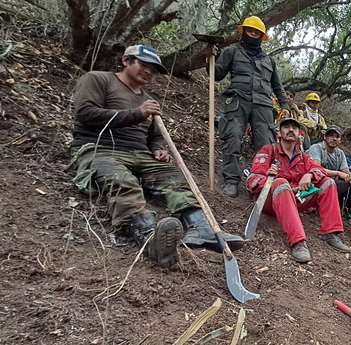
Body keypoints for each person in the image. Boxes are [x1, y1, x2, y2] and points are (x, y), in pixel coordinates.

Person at [69, 44, 244, 269]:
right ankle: (150, 238)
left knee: (175, 179)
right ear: (126, 61)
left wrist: (158, 148)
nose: (149, 72)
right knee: (122, 183)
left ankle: (201, 228)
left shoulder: (147, 99)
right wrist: (137, 113)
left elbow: (153, 135)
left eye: (154, 69)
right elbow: (85, 113)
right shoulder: (98, 80)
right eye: (144, 65)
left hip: (141, 156)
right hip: (101, 150)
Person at [245, 117, 351, 263]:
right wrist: (267, 177)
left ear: (299, 134)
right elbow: (252, 180)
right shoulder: (268, 150)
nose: (290, 130)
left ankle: (330, 232)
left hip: (296, 199)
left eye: (294, 128)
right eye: (286, 127)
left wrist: (308, 175)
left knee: (328, 183)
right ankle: (298, 242)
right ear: (278, 132)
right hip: (272, 201)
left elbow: (318, 169)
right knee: (281, 183)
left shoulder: (303, 156)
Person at [214, 16, 290, 197]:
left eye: (257, 32)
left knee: (266, 144)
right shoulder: (232, 51)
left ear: (262, 36)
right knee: (232, 137)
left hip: (263, 105)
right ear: (243, 31)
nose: (253, 34)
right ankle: (231, 180)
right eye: (250, 31)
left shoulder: (269, 61)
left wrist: (284, 104)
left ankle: (261, 181)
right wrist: (212, 56)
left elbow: (277, 86)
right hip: (238, 100)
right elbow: (216, 75)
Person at [307, 126, 351, 219]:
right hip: (314, 184)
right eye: (331, 136)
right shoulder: (316, 148)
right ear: (325, 137)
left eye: (337, 137)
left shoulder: (340, 153)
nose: (334, 139)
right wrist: (338, 173)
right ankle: (320, 206)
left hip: (331, 182)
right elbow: (316, 169)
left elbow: (345, 169)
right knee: (332, 183)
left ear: (340, 140)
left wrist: (349, 175)